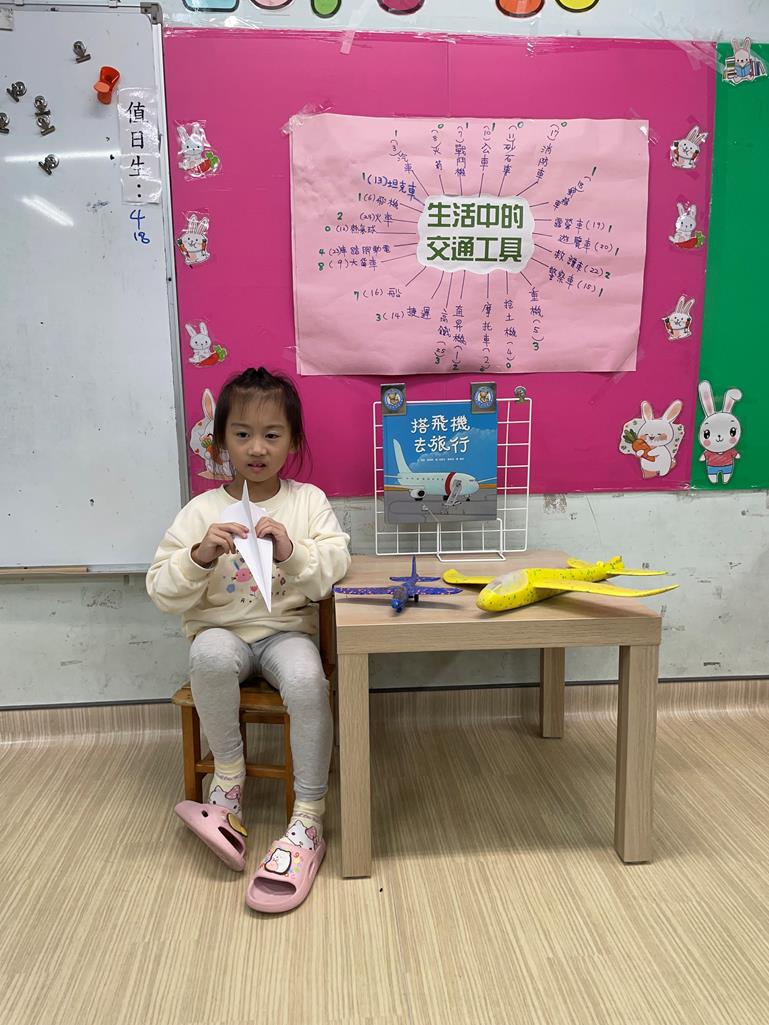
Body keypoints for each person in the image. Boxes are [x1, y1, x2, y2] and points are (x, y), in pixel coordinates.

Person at [147, 367, 351, 912]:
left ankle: (308, 817)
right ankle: (228, 784)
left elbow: (333, 569)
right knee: (209, 654)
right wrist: (198, 556)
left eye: (272, 434)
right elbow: (161, 591)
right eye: (242, 434)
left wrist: (291, 551)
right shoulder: (201, 510)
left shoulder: (307, 501)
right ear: (220, 442)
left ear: (293, 440)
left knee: (308, 680)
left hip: (287, 633)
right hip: (224, 633)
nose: (257, 448)